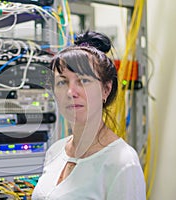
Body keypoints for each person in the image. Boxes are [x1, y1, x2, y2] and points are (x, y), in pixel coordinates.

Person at [31, 31, 146, 200]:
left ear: (105, 89)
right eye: (62, 82)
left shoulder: (122, 162)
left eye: (83, 81)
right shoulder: (55, 151)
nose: (71, 92)